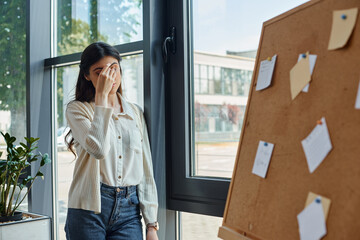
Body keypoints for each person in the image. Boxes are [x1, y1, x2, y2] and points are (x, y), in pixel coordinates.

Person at [64, 42, 159, 240]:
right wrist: (101, 97)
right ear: (86, 75)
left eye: (114, 69)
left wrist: (151, 224)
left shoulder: (135, 112)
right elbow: (98, 149)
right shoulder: (78, 109)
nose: (109, 77)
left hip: (129, 211)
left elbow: (145, 167)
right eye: (99, 71)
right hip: (88, 210)